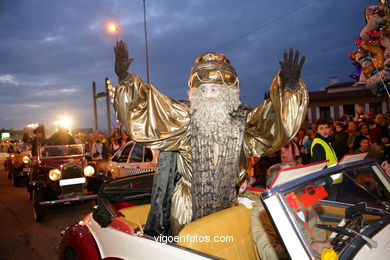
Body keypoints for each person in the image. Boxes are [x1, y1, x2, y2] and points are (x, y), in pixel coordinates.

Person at [113, 41, 308, 234]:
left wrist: (289, 90)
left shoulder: (244, 123)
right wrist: (126, 81)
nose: (208, 95)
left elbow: (271, 124)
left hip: (226, 207)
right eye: (202, 90)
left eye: (214, 89)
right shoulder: (184, 120)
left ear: (227, 93)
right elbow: (150, 111)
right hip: (188, 207)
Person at [250, 163, 330, 259]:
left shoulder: (297, 196)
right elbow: (267, 251)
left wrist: (321, 246)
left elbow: (316, 225)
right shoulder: (262, 211)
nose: (295, 185)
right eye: (290, 181)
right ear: (275, 185)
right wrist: (307, 250)